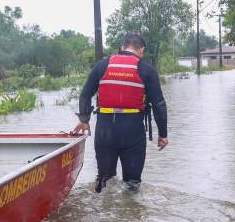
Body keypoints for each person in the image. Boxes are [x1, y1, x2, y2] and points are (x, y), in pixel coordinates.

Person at [72, 33, 169, 193]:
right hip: (132, 130)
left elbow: (85, 94)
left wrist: (84, 119)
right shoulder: (146, 69)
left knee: (104, 180)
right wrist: (163, 135)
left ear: (122, 48)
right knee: (132, 183)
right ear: (142, 50)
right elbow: (159, 104)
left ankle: (105, 213)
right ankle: (130, 214)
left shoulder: (102, 65)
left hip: (105, 129)